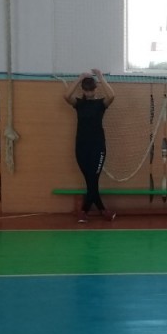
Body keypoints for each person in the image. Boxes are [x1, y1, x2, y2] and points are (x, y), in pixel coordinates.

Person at [64, 69, 116, 223]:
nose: (89, 93)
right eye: (86, 90)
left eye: (91, 90)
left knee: (93, 179)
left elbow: (112, 96)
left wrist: (100, 77)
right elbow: (66, 96)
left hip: (98, 148)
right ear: (83, 90)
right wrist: (79, 78)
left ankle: (84, 211)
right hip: (81, 147)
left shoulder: (101, 104)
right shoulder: (79, 104)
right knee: (90, 180)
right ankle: (103, 211)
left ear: (95, 89)